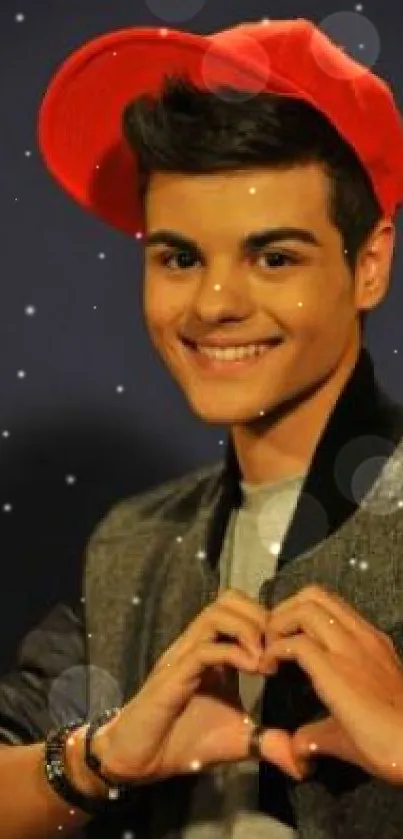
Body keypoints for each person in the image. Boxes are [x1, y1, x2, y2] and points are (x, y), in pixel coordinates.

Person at [2, 15, 403, 839]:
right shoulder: (131, 544)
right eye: (180, 258)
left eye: (273, 257)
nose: (214, 304)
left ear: (367, 264)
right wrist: (100, 756)